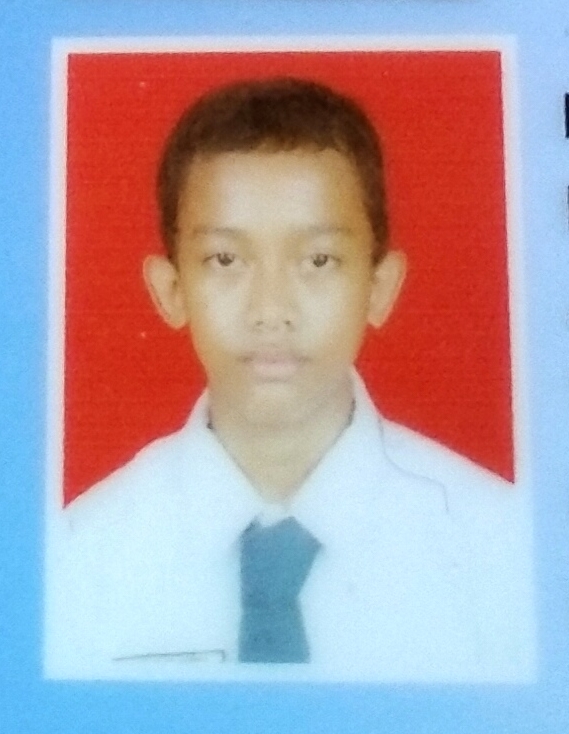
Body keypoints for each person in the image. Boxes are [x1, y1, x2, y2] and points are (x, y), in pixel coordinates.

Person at [44, 77, 534, 682]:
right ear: (170, 289)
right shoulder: (77, 555)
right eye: (226, 259)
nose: (271, 310)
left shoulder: (505, 548)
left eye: (318, 260)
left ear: (380, 287)